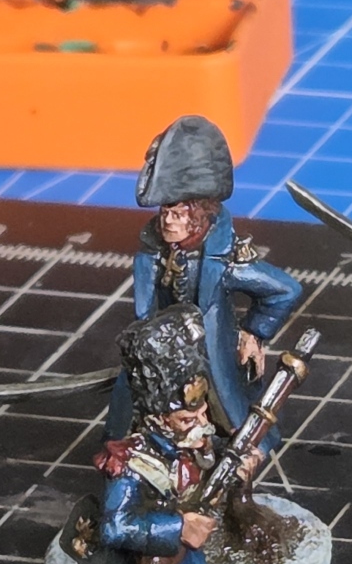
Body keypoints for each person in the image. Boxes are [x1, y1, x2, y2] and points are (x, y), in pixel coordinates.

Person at [49, 306, 263, 564]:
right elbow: (116, 527)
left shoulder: (193, 442)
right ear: (159, 418)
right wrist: (178, 526)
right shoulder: (129, 465)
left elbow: (209, 466)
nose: (202, 422)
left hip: (179, 556)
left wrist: (239, 466)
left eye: (202, 411)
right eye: (188, 418)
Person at [111, 115, 304, 442]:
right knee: (129, 410)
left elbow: (284, 290)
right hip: (159, 356)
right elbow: (145, 313)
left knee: (228, 422)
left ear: (200, 215)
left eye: (178, 213)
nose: (168, 221)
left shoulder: (224, 261)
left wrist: (253, 333)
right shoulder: (153, 252)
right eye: (165, 212)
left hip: (209, 356)